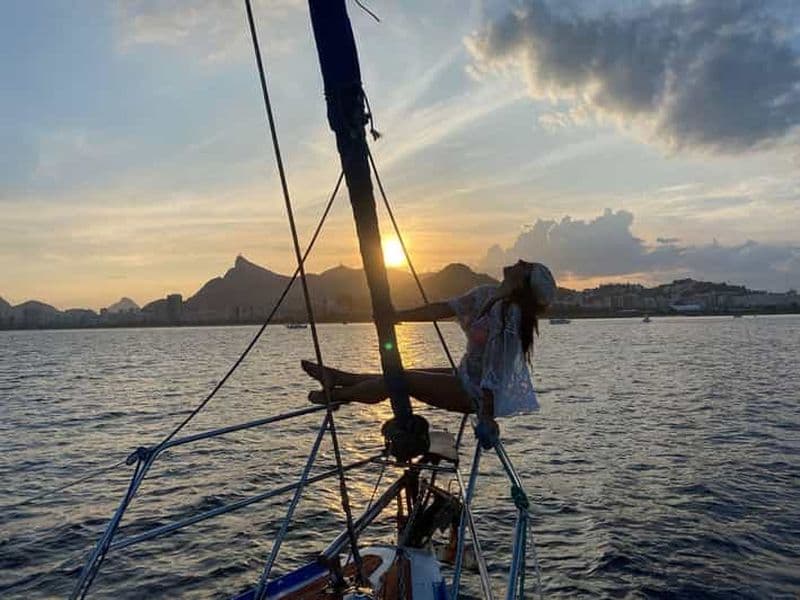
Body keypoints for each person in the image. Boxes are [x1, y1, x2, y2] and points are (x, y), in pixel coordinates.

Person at [302, 260, 556, 442]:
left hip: (479, 394)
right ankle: (340, 379)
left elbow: (495, 368)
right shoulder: (486, 294)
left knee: (403, 380)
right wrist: (397, 316)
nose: (520, 261)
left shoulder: (509, 314)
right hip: (466, 376)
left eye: (526, 267)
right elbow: (442, 308)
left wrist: (486, 416)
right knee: (401, 373)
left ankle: (336, 394)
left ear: (524, 283)